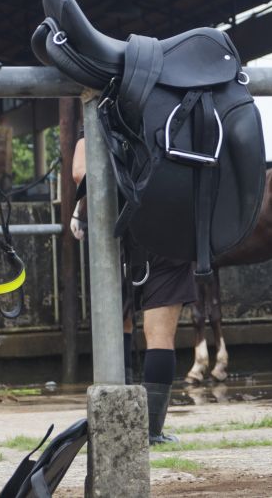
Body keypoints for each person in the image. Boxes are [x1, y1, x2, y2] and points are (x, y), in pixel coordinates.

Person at [71, 136, 197, 445]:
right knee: (160, 336)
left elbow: (80, 174)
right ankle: (151, 431)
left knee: (122, 325)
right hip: (170, 231)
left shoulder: (96, 133)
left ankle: (125, 424)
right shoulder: (173, 126)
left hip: (117, 234)